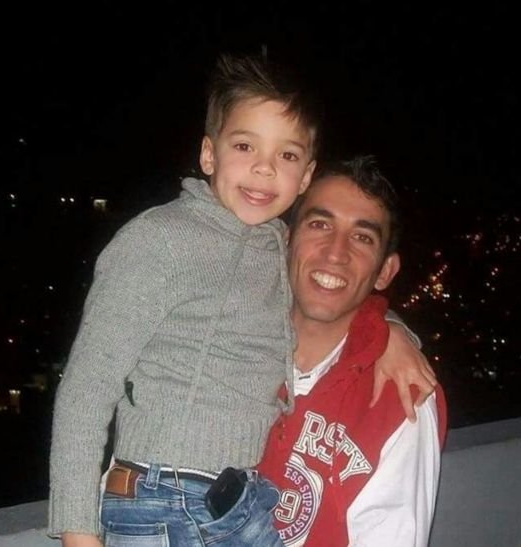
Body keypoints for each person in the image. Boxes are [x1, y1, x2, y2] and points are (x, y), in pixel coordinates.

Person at [48, 53, 434, 547]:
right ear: (209, 155)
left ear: (305, 176)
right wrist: (78, 533)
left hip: (238, 499)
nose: (263, 168)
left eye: (287, 156)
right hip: (162, 496)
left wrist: (394, 333)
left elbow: (337, 293)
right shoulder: (159, 241)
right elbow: (86, 389)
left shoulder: (276, 247)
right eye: (245, 145)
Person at [258, 156, 447, 547]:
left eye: (362, 237)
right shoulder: (224, 344)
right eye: (320, 224)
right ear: (286, 240)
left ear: (385, 271)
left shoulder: (401, 397)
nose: (335, 252)